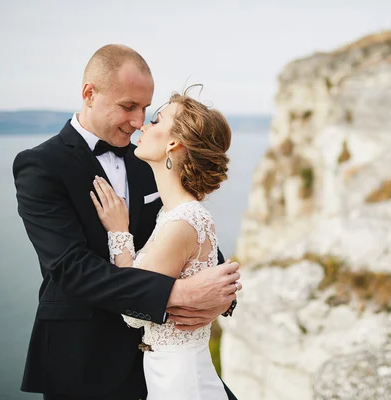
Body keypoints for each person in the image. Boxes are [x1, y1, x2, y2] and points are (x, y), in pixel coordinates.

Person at [13, 44, 240, 400]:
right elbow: (69, 268)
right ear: (90, 94)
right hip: (85, 359)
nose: (138, 121)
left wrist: (221, 297)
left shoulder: (148, 160)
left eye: (146, 109)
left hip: (164, 358)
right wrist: (176, 295)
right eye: (128, 107)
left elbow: (191, 236)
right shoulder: (40, 166)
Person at [90, 87, 235, 399]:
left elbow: (133, 311)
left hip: (179, 378)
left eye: (156, 121)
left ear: (173, 143)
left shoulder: (181, 223)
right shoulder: (176, 214)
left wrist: (119, 233)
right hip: (169, 369)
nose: (143, 125)